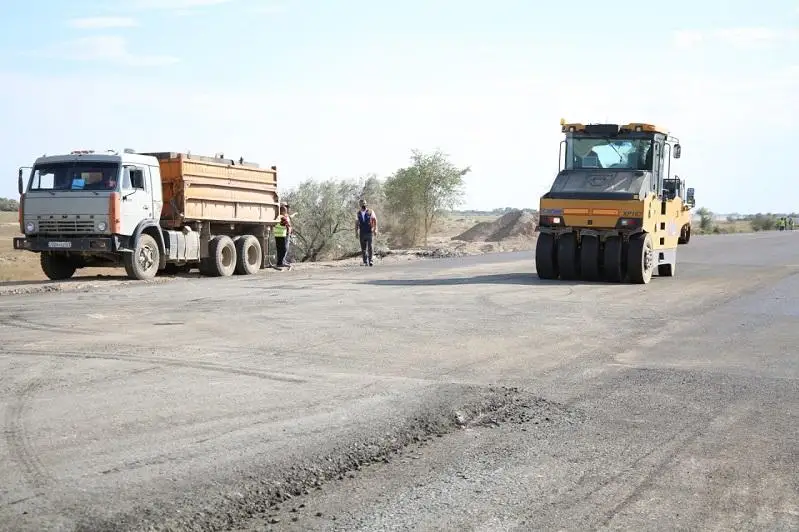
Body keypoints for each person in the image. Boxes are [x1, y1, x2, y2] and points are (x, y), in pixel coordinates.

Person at [355, 199, 377, 266]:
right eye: (361, 203)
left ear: (366, 204)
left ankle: (371, 261)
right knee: (363, 248)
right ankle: (365, 262)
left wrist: (375, 229)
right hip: (362, 232)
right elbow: (356, 223)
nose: (363, 204)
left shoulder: (371, 211)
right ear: (359, 205)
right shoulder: (358, 213)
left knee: (370, 246)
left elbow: (375, 220)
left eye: (364, 203)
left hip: (369, 231)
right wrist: (356, 232)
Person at [274, 204, 292, 269]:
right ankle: (281, 262)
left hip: (277, 235)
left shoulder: (278, 216)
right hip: (281, 235)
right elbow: (287, 224)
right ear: (283, 211)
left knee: (280, 249)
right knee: (283, 249)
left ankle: (280, 262)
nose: (286, 212)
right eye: (285, 211)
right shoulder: (282, 217)